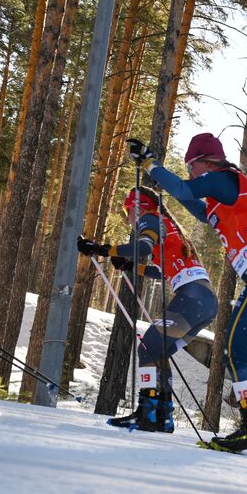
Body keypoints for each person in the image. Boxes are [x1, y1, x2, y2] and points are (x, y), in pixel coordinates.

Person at [136, 133, 247, 452]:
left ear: (205, 162)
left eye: (191, 167)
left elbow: (183, 188)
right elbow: (194, 205)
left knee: (237, 353)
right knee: (241, 355)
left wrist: (152, 164)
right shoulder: (225, 194)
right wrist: (161, 176)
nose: (192, 174)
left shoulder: (223, 179)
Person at [77, 185, 217, 433]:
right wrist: (132, 267)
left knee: (148, 348)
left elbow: (142, 248)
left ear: (138, 207)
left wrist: (103, 249)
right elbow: (162, 270)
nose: (128, 217)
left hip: (191, 297)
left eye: (127, 210)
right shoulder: (169, 226)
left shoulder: (151, 219)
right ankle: (163, 415)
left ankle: (149, 414)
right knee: (159, 351)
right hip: (203, 301)